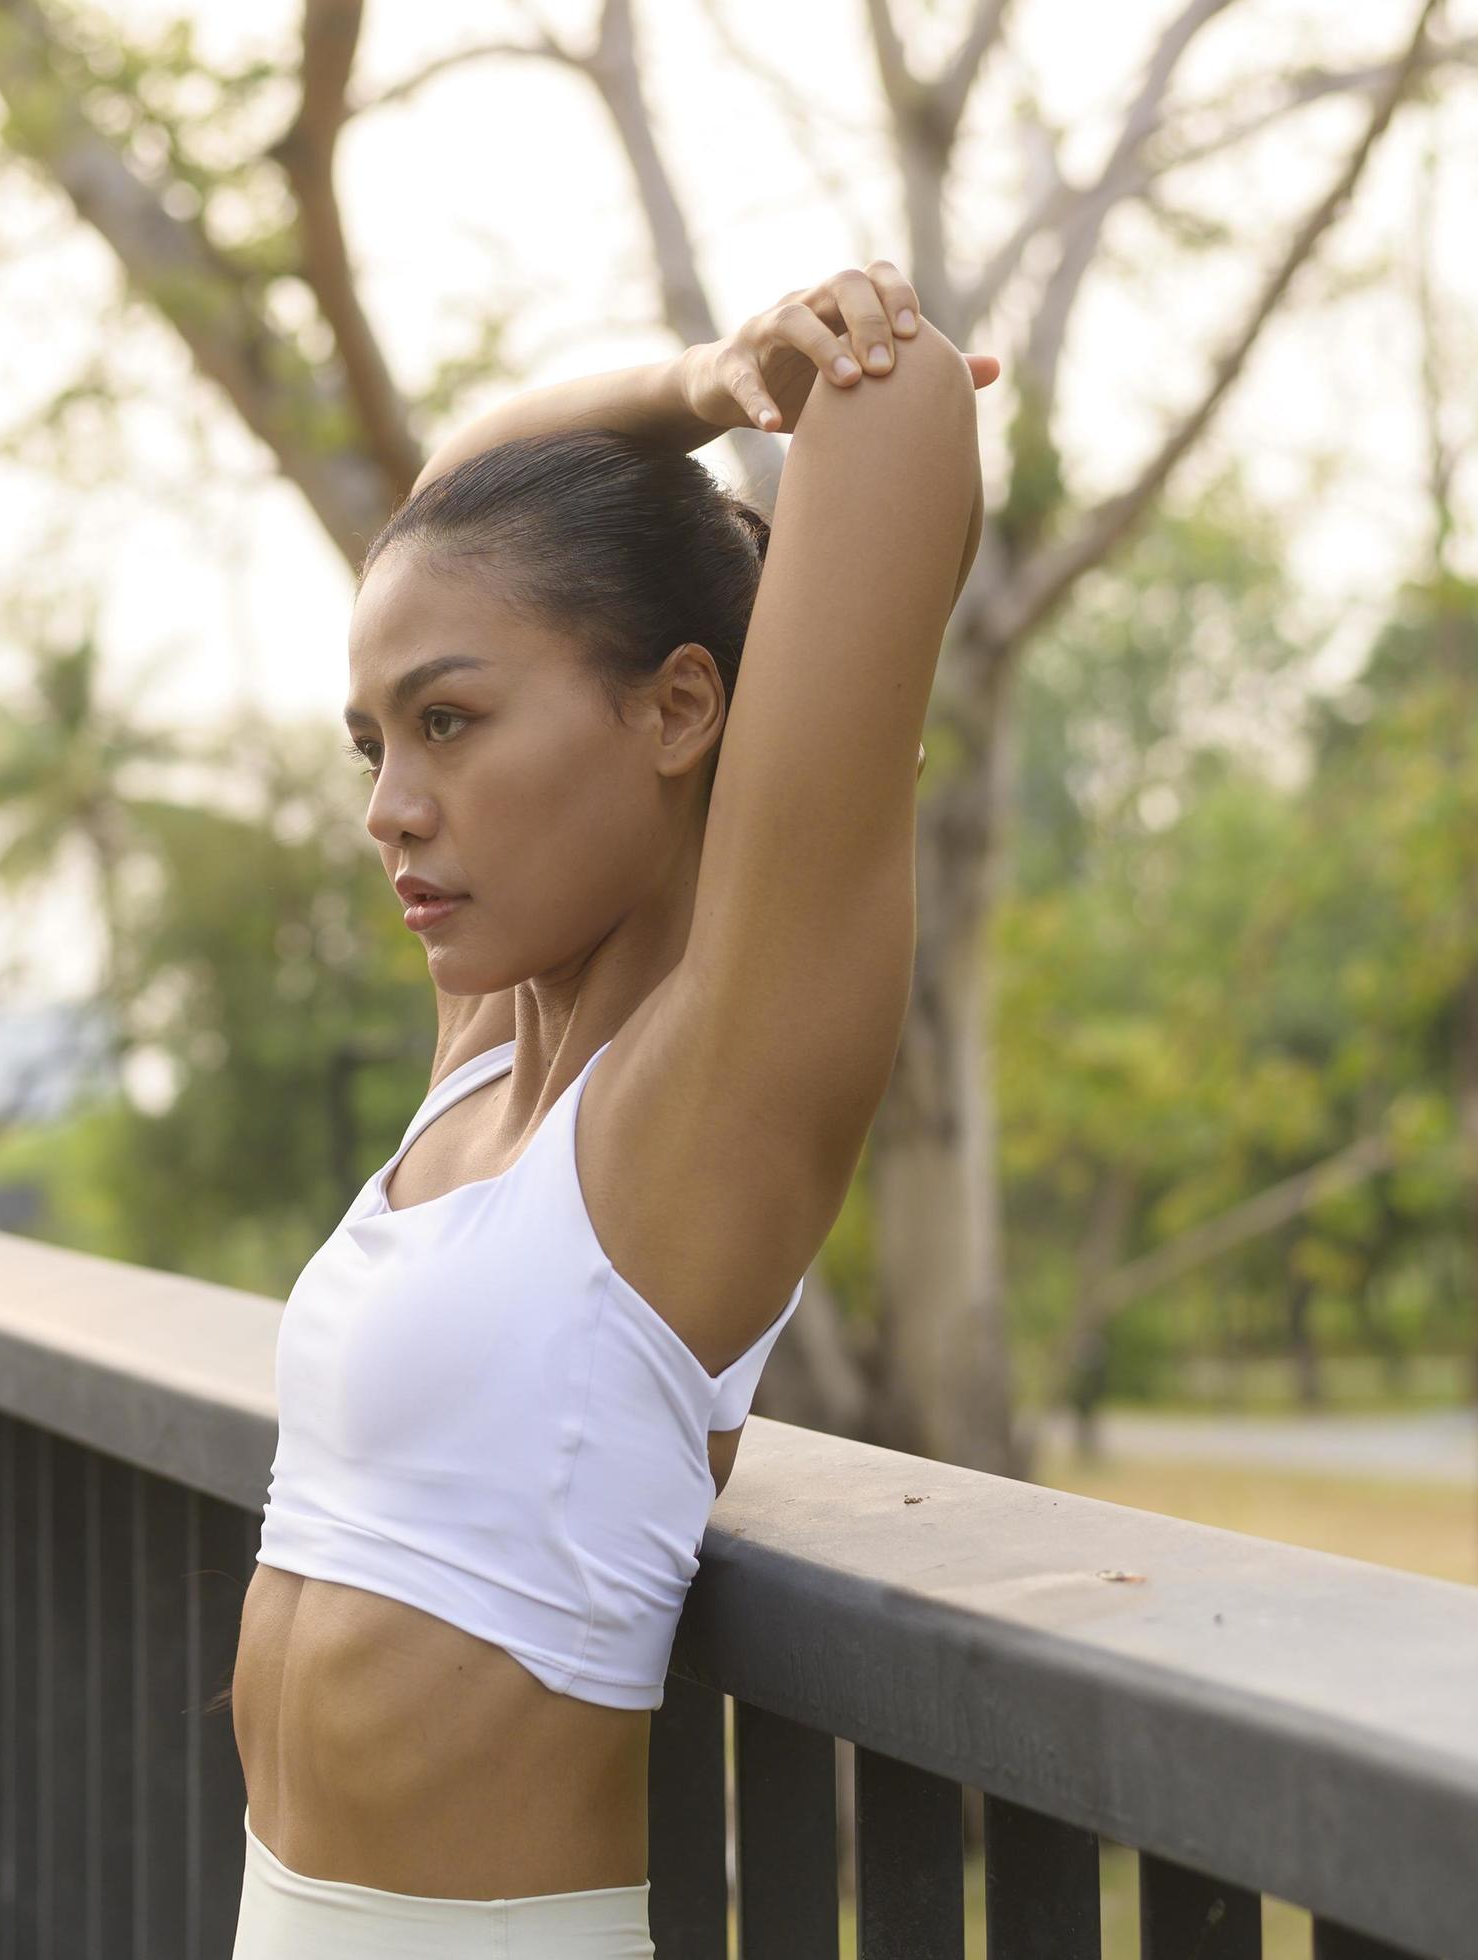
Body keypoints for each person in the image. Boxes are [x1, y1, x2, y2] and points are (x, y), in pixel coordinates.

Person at [226, 259, 995, 1955]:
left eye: (448, 723)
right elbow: (463, 499)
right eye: (373, 743)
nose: (390, 810)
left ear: (677, 707)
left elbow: (907, 418)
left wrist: (853, 358)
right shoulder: (493, 1049)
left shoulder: (706, 1099)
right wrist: (701, 378)